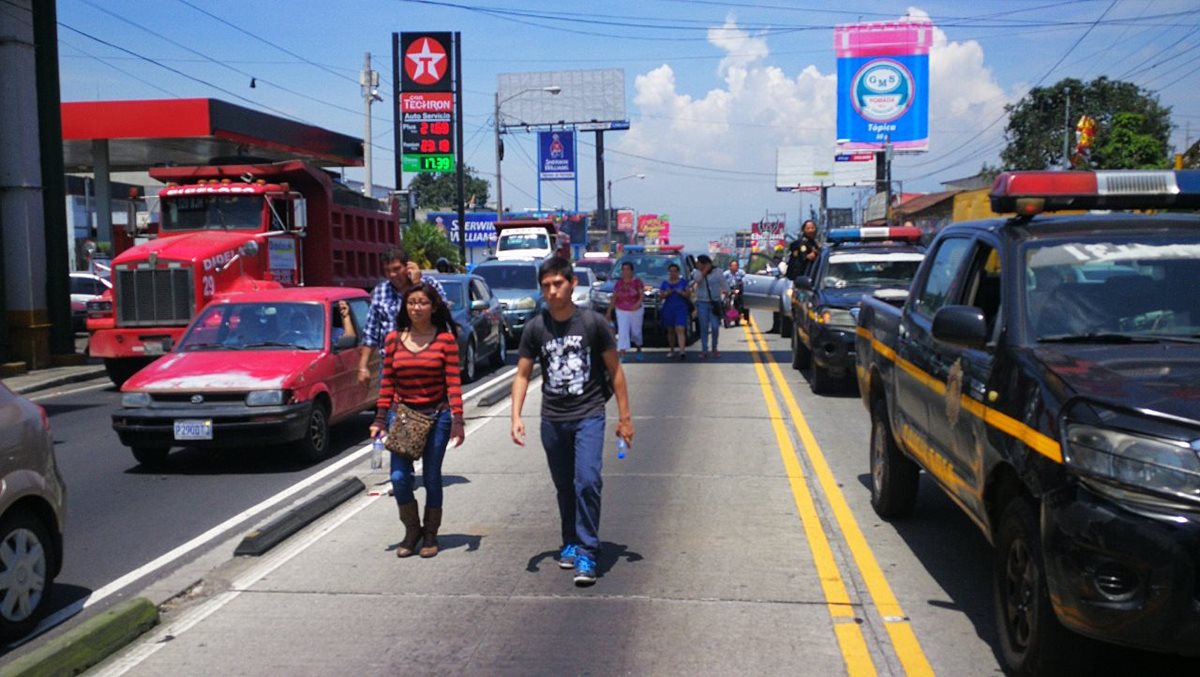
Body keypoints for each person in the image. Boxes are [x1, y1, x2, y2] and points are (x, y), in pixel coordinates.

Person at [511, 257, 634, 587]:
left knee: (587, 481)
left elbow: (615, 372)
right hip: (552, 419)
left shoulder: (593, 324)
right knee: (565, 486)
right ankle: (569, 540)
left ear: (572, 284)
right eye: (546, 286)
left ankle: (587, 552)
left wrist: (625, 418)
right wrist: (516, 417)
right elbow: (522, 374)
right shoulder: (536, 327)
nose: (552, 291)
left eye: (558, 284)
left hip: (589, 415)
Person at [368, 281, 465, 559]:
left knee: (432, 477)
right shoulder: (393, 340)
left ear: (433, 307)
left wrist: (458, 419)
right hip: (404, 416)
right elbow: (386, 383)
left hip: (438, 416)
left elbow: (453, 383)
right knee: (399, 477)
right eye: (411, 303)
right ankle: (412, 531)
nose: (416, 308)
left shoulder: (445, 340)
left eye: (422, 302)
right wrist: (379, 419)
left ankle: (431, 533)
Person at [358, 246, 446, 385]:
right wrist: (363, 367)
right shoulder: (380, 292)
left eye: (396, 269)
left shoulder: (430, 285)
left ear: (408, 266)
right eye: (387, 271)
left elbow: (442, 316)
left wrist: (417, 285)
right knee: (389, 405)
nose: (392, 275)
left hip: (428, 362)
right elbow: (371, 333)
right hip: (393, 367)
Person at [605, 261, 645, 362]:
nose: (625, 271)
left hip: (636, 310)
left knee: (636, 332)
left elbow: (641, 295)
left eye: (627, 269)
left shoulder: (637, 282)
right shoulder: (619, 283)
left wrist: (637, 304)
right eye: (623, 269)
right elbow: (614, 297)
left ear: (632, 271)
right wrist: (609, 311)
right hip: (621, 309)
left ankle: (638, 348)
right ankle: (622, 353)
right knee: (623, 331)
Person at [690, 254, 728, 359]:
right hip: (702, 302)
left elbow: (724, 284)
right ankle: (704, 349)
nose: (697, 264)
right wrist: (704, 271)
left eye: (699, 262)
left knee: (715, 326)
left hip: (714, 302)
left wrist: (726, 294)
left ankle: (714, 347)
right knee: (704, 327)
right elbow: (697, 280)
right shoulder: (697, 272)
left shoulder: (718, 272)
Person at [658, 262, 690, 359]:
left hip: (680, 308)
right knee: (671, 330)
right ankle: (672, 349)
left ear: (678, 272)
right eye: (671, 272)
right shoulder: (665, 283)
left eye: (675, 271)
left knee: (680, 328)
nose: (673, 274)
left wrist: (682, 293)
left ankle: (682, 351)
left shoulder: (683, 282)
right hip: (669, 308)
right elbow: (661, 296)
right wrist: (667, 293)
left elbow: (689, 295)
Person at [723, 260, 747, 326]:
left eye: (735, 265)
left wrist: (739, 288)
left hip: (738, 289)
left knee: (740, 303)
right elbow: (721, 282)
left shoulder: (741, 273)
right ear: (729, 267)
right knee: (724, 302)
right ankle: (725, 316)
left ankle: (739, 315)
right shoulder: (726, 274)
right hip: (729, 290)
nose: (734, 267)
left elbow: (744, 281)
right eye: (732, 265)